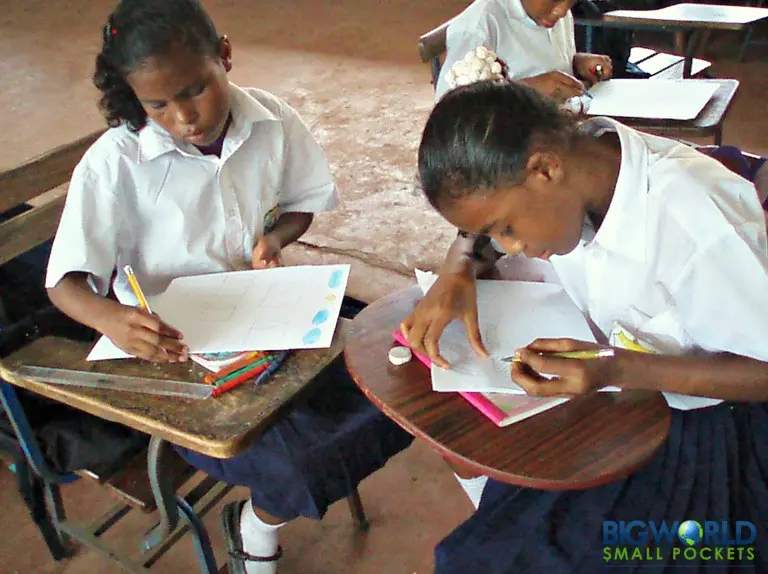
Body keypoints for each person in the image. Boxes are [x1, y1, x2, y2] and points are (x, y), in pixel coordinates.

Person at [44, 1, 412, 572]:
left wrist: (274, 238)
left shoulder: (272, 120)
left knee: (394, 381)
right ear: (135, 99)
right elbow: (64, 285)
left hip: (266, 315)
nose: (185, 117)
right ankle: (258, 526)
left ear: (225, 55)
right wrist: (111, 318)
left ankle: (269, 510)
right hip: (176, 354)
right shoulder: (113, 164)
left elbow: (300, 206)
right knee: (299, 462)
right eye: (158, 105)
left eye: (196, 89)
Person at [404, 79, 768, 572]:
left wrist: (619, 369)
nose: (511, 247)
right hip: (622, 400)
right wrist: (459, 264)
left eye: (506, 229)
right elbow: (479, 221)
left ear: (545, 168)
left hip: (712, 429)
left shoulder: (694, 221)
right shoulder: (579, 165)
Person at [435, 0, 613, 101]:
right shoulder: (479, 27)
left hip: (557, 125)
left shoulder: (551, 14)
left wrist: (575, 62)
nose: (562, 11)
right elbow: (450, 107)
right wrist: (527, 90)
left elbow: (538, 59)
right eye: (556, 0)